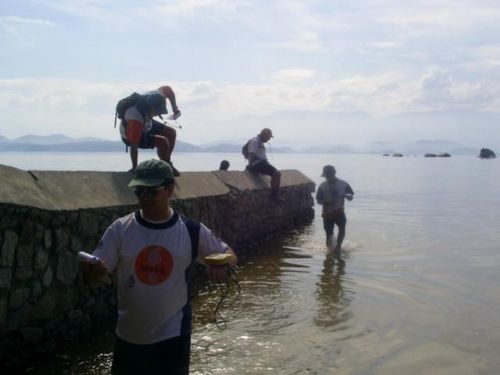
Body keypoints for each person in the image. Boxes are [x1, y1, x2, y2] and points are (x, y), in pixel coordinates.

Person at [81, 159, 237, 374]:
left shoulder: (191, 231)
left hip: (173, 338)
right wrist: (93, 273)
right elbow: (95, 274)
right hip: (128, 336)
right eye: (139, 191)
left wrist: (222, 266)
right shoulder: (120, 229)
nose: (144, 198)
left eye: (151, 192)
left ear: (170, 189)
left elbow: (230, 255)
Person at [119, 85, 181, 175]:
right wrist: (135, 167)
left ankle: (166, 163)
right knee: (162, 142)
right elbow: (133, 146)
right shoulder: (135, 117)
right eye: (157, 111)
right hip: (129, 135)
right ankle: (165, 167)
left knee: (171, 132)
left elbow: (169, 90)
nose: (158, 114)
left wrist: (175, 109)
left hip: (146, 122)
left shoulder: (158, 95)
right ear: (151, 108)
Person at [316, 165, 354, 259]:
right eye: (326, 176)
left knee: (342, 230)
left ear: (333, 174)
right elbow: (318, 200)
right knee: (329, 235)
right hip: (327, 213)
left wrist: (346, 195)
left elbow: (351, 195)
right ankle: (329, 256)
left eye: (329, 175)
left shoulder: (343, 184)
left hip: (339, 212)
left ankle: (338, 247)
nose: (327, 178)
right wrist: (324, 201)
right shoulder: (322, 186)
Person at [245, 128, 281, 201]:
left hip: (262, 163)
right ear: (264, 135)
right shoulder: (255, 141)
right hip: (258, 164)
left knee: (276, 174)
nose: (268, 140)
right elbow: (251, 154)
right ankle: (274, 196)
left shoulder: (260, 142)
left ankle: (274, 195)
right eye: (268, 137)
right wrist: (250, 166)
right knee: (277, 173)